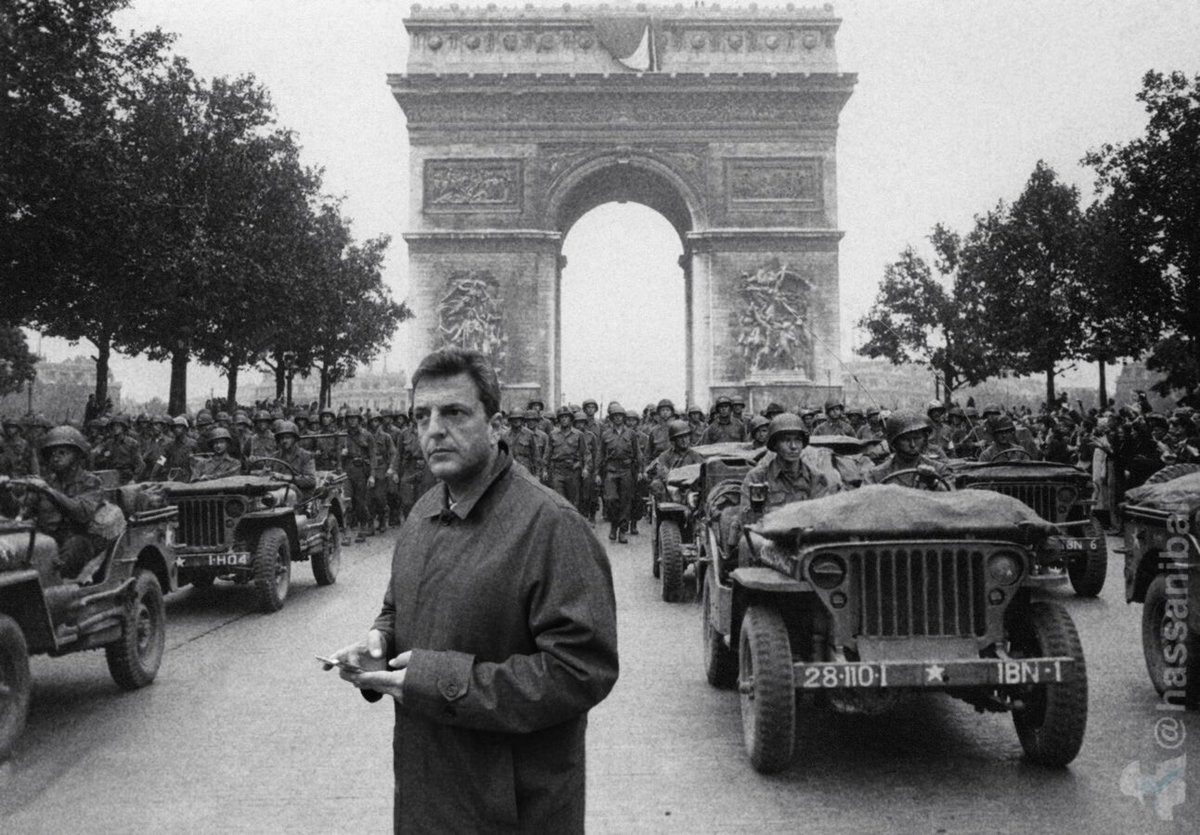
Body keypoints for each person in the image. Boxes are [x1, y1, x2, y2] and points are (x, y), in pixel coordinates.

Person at [324, 347, 618, 833]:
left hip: (512, 810)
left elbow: (582, 670)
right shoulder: (423, 511)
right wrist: (380, 642)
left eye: (454, 413)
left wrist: (436, 680)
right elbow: (398, 605)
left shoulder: (551, 525)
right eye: (422, 416)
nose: (434, 429)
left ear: (496, 425)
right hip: (425, 796)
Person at [16, 426, 110, 580]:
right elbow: (20, 511)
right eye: (52, 454)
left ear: (77, 455)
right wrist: (6, 493)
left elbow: (82, 513)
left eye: (62, 453)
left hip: (78, 539)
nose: (55, 458)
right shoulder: (48, 481)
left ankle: (58, 583)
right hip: (46, 538)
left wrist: (48, 490)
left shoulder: (91, 482)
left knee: (76, 545)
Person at [866, 411, 952, 487]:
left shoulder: (939, 469)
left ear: (924, 439)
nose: (912, 445)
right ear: (894, 442)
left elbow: (952, 495)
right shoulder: (876, 474)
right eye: (905, 439)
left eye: (917, 438)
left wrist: (933, 483)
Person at [596, 402, 642, 543]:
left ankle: (622, 530)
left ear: (623, 417)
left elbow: (638, 453)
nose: (617, 418)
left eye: (620, 416)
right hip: (611, 469)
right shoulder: (606, 434)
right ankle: (613, 525)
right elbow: (600, 454)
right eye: (615, 416)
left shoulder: (631, 434)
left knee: (625, 501)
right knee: (610, 499)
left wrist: (640, 470)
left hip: (626, 470)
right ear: (611, 418)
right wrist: (597, 473)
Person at [544, 406, 591, 513]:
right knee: (558, 499)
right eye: (561, 417)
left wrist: (586, 468)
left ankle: (573, 521)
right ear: (558, 419)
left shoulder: (578, 435)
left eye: (566, 417)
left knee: (573, 500)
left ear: (571, 419)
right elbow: (547, 453)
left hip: (573, 470)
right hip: (557, 471)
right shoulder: (553, 434)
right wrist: (545, 470)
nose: (564, 419)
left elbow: (586, 453)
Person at [644, 420, 703, 501]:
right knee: (656, 485)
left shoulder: (695, 455)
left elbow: (702, 472)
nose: (684, 440)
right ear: (674, 440)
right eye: (680, 438)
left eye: (686, 437)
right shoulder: (665, 456)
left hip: (689, 489)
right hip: (670, 490)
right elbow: (661, 472)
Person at [265, 421, 317, 492]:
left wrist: (285, 477)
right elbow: (265, 476)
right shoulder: (274, 456)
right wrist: (266, 473)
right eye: (282, 438)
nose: (284, 441)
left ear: (295, 439)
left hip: (299, 493)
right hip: (276, 492)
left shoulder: (306, 456)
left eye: (288, 437)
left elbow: (311, 480)